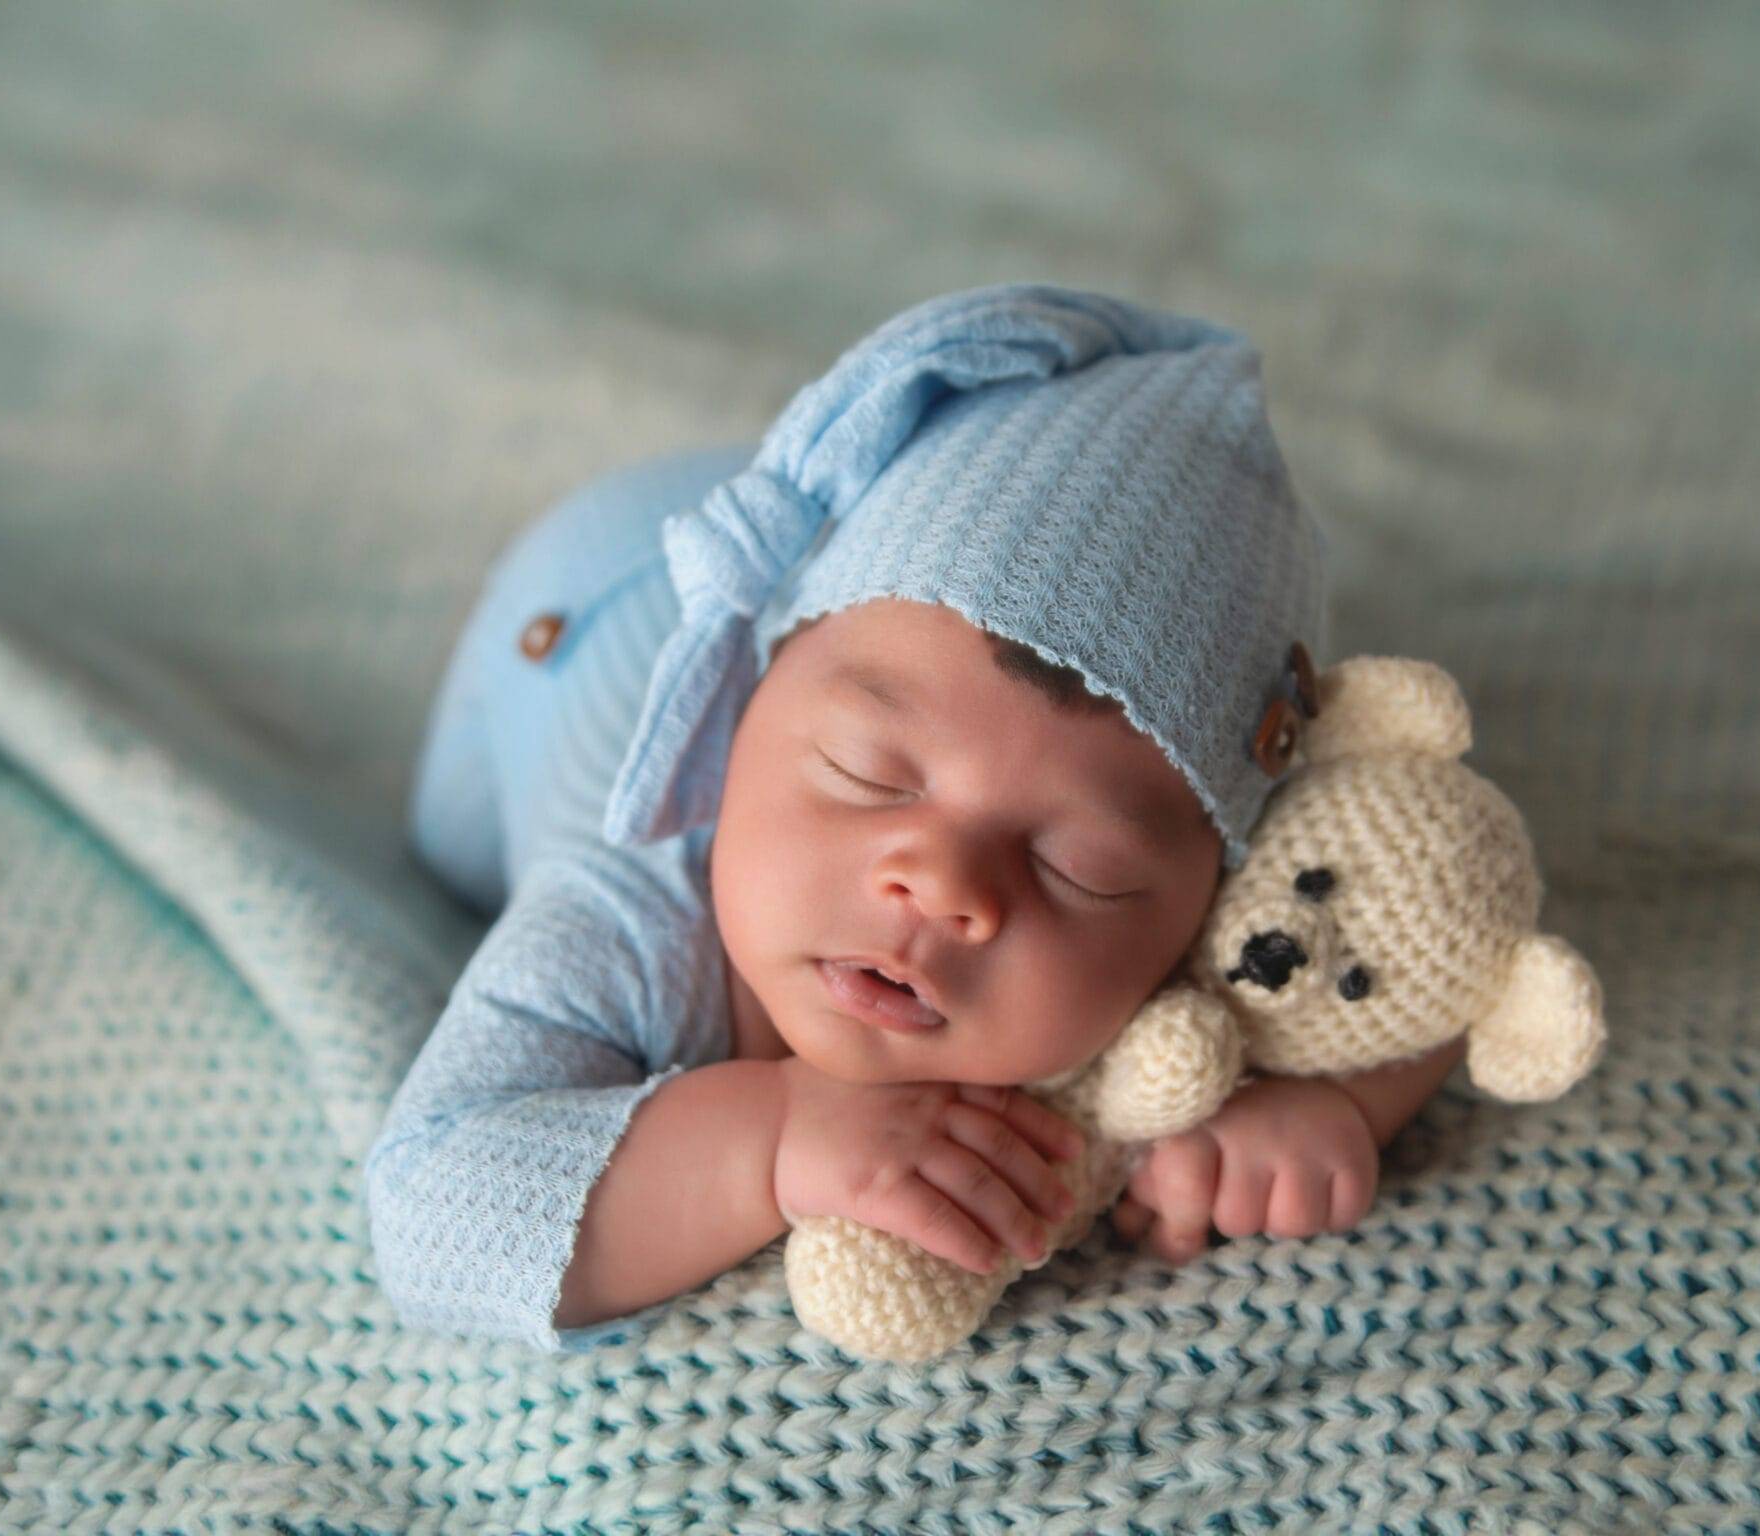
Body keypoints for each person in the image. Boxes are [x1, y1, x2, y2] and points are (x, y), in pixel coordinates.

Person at [363, 283, 1464, 1353]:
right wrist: (772, 1138)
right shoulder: (625, 919)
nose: (942, 884)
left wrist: (1328, 1111)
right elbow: (426, 1212)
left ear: (1204, 899)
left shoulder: (1168, 941)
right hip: (579, 608)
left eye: (1077, 869)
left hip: (902, 554)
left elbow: (1421, 945)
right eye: (865, 774)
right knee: (450, 851)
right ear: (746, 704)